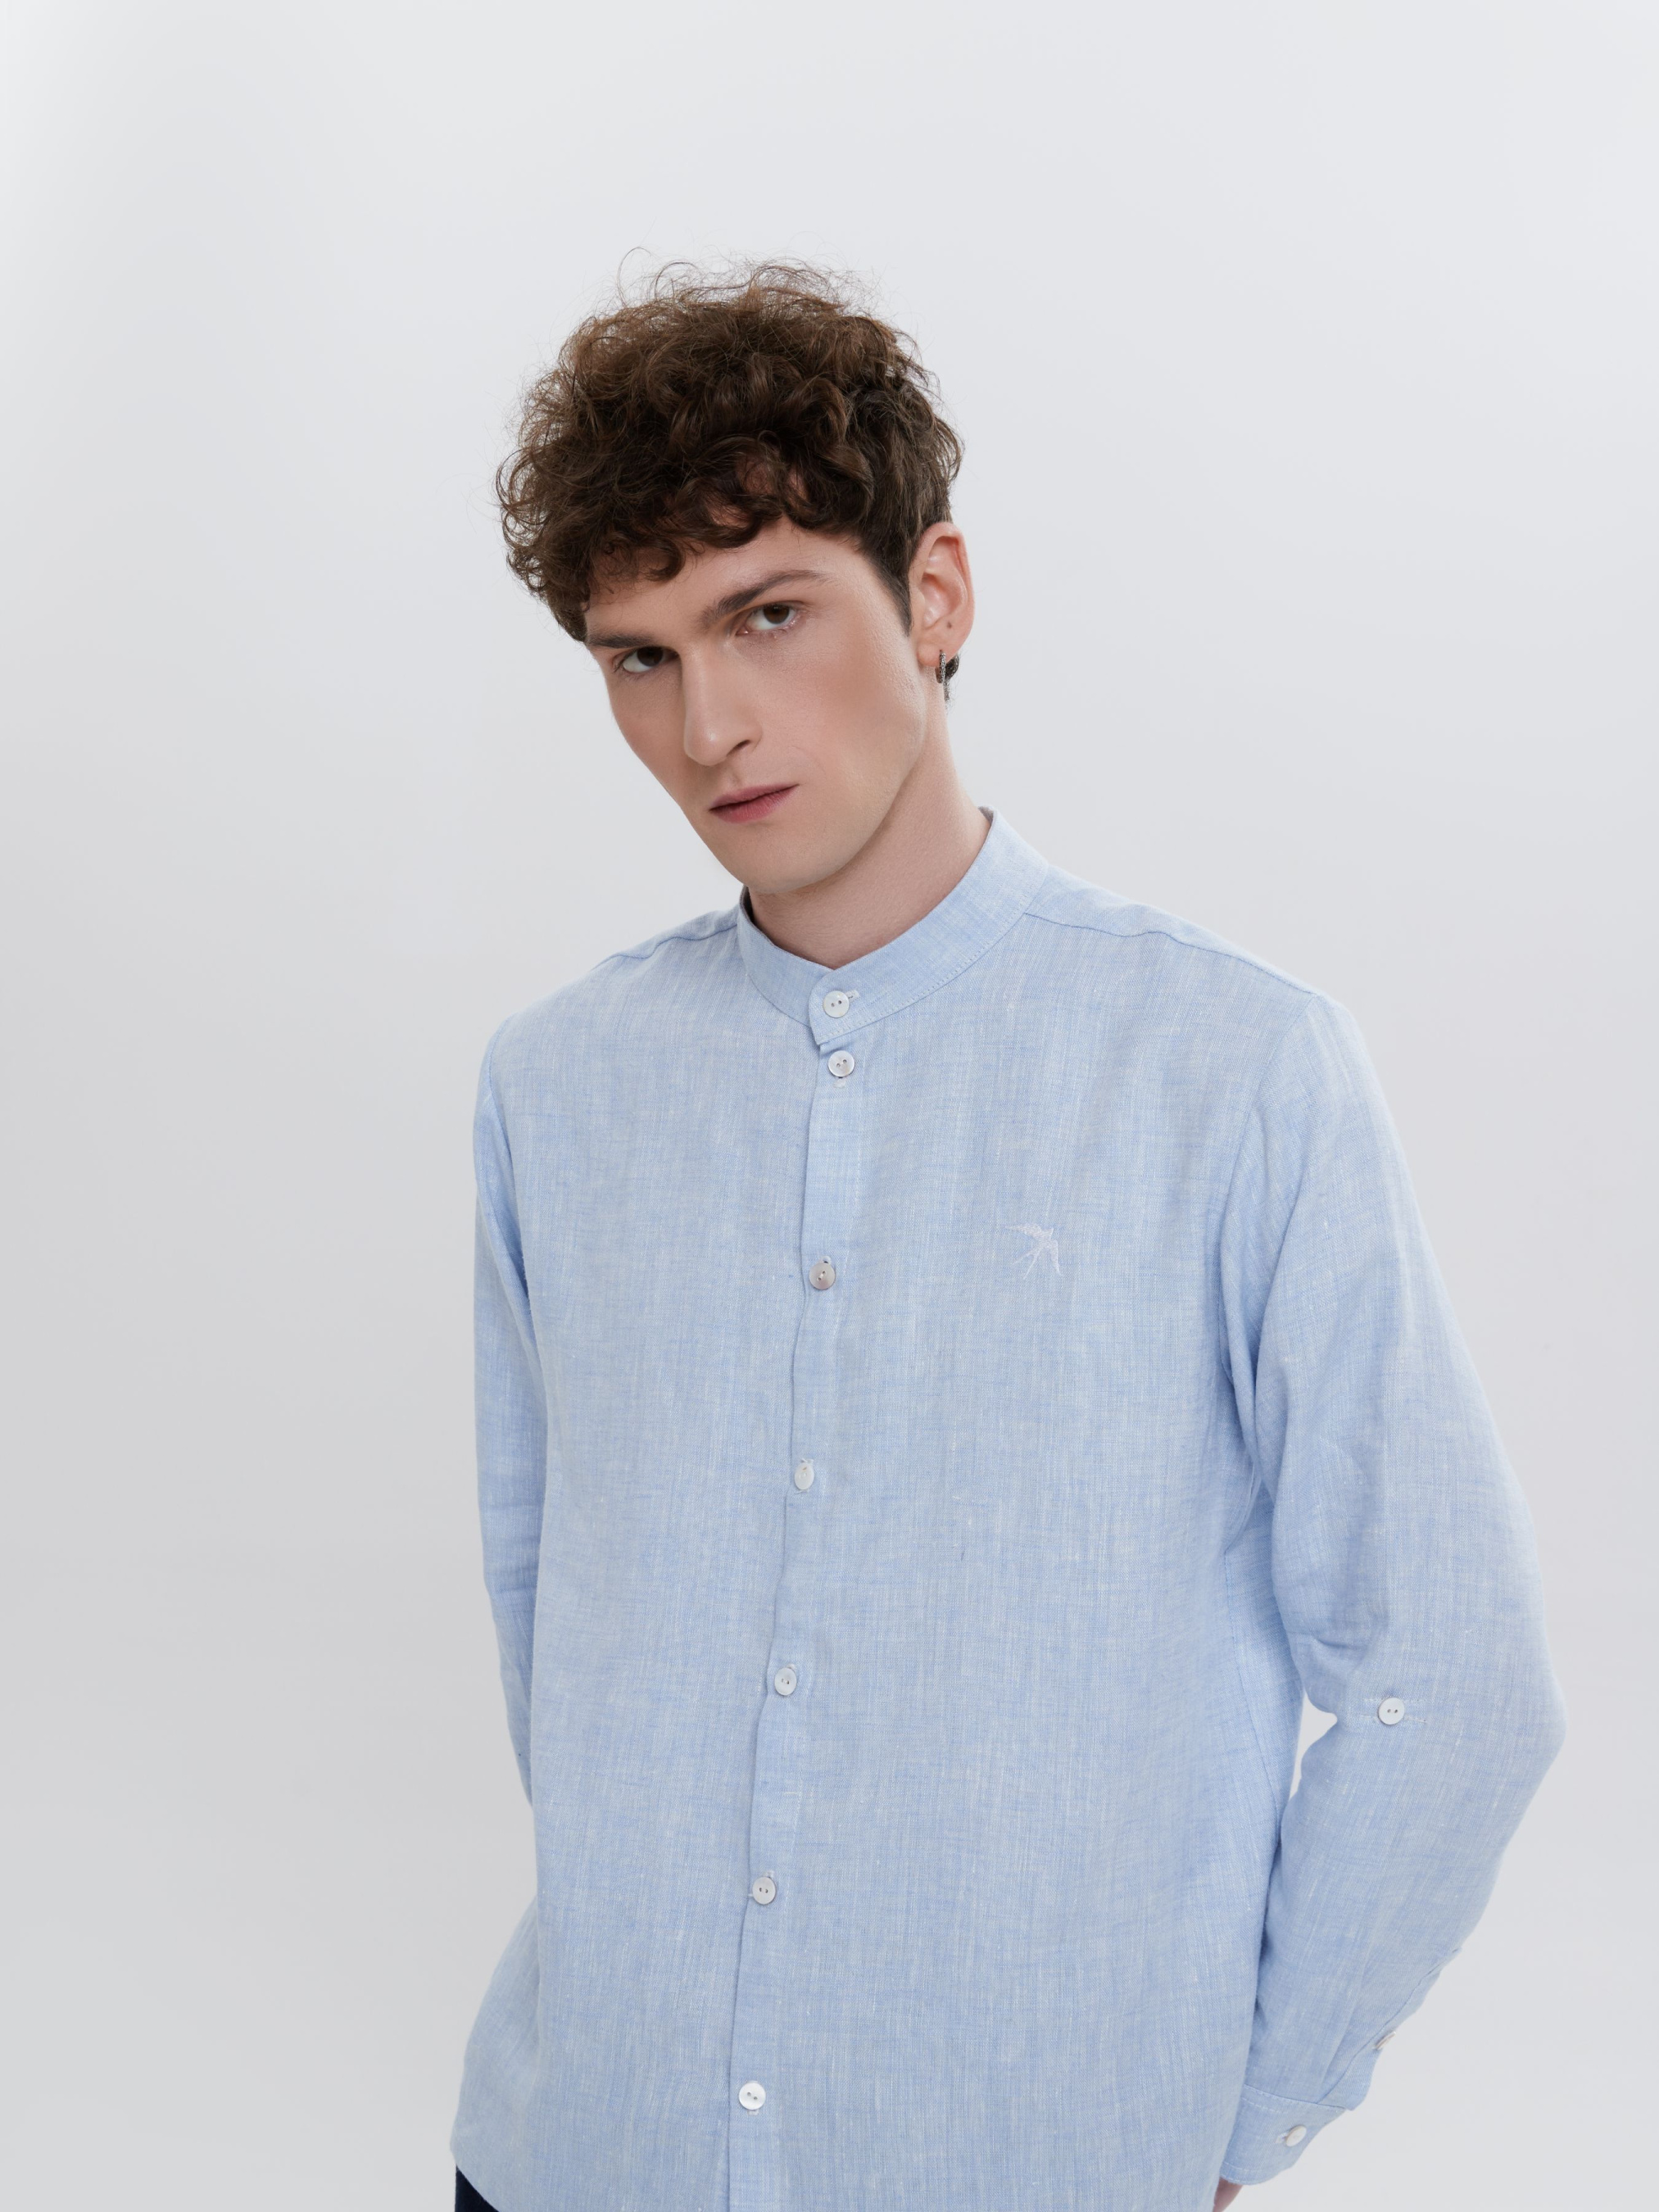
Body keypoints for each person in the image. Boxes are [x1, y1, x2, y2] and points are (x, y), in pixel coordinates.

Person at [451, 265, 1564, 2212]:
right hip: (584, 2153)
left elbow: (1448, 1673)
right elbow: (556, 1624)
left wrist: (1229, 2117)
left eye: (768, 614)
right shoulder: (558, 1088)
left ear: (934, 596)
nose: (707, 723)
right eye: (637, 656)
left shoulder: (1232, 1071)